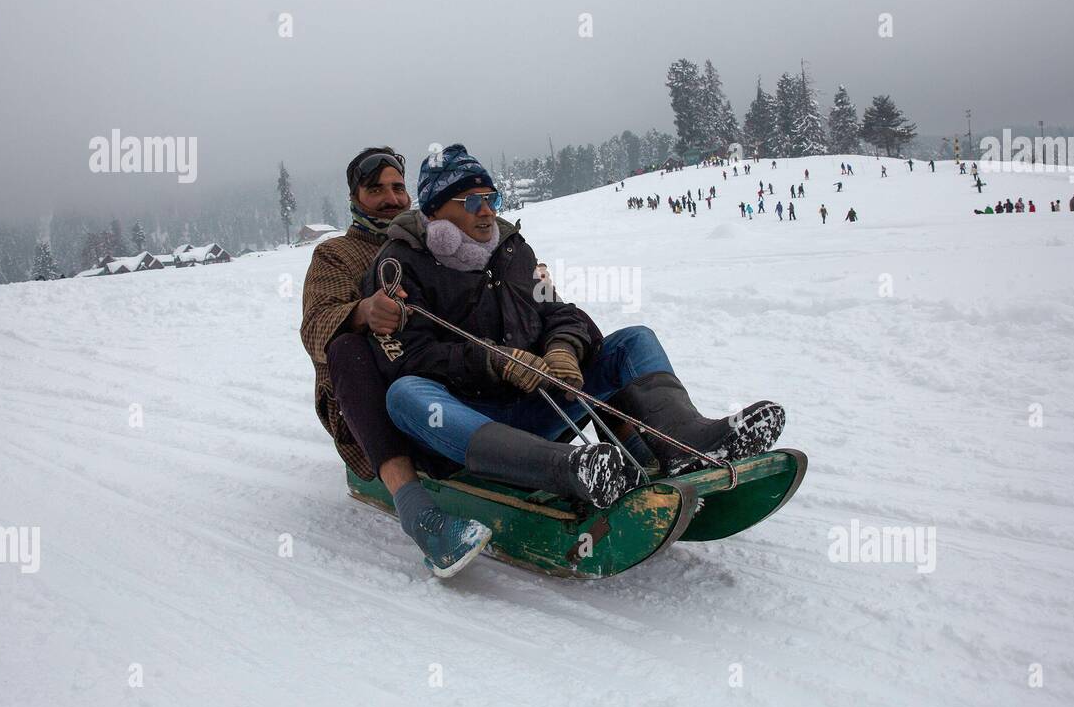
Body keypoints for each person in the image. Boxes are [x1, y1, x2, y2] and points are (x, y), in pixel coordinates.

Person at [366, 144, 785, 512]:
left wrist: (563, 347)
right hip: (466, 425)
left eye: (491, 197)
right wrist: (495, 362)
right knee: (405, 394)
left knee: (633, 341)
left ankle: (687, 443)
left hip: (537, 408)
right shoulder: (400, 264)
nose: (488, 211)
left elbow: (559, 311)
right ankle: (569, 471)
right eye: (472, 201)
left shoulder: (512, 250)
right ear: (437, 209)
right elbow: (404, 359)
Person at [300, 145, 488, 577]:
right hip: (380, 402)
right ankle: (421, 516)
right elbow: (314, 326)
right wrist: (361, 313)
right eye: (376, 189)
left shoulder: (435, 238)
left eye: (398, 187)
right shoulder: (336, 256)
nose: (392, 198)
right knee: (345, 346)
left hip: (444, 381)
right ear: (355, 197)